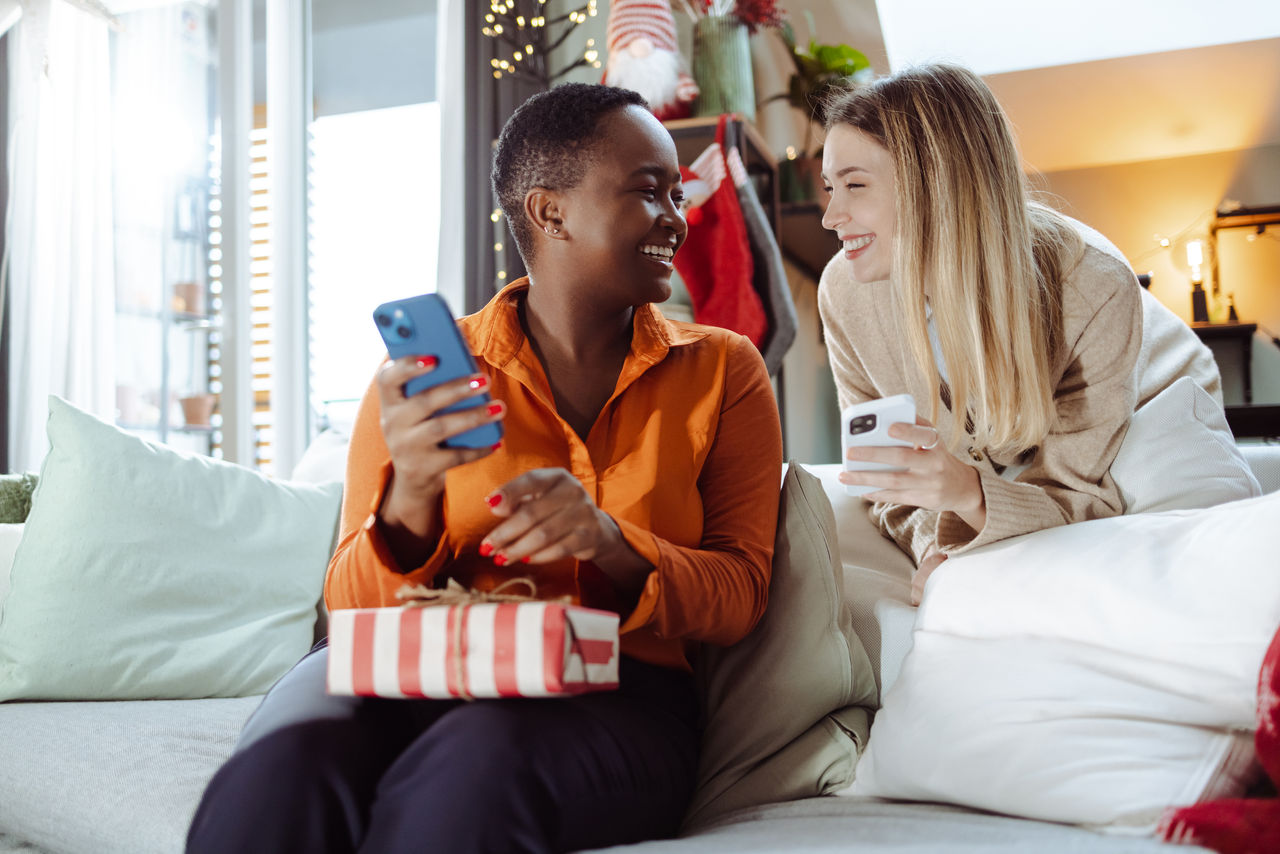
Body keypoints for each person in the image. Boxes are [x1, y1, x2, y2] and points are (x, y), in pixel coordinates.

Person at [185, 83, 783, 854]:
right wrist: (411, 499)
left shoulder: (723, 371)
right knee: (282, 766)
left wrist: (608, 542)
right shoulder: (425, 375)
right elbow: (348, 607)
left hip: (613, 690)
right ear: (549, 211)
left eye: (676, 191)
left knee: (476, 765)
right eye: (648, 191)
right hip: (412, 664)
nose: (677, 215)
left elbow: (740, 596)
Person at [815, 63, 1221, 604]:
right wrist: (940, 547)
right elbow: (886, 480)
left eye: (854, 186)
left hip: (1153, 396)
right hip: (1004, 438)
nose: (830, 216)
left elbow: (1077, 489)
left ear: (935, 184)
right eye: (828, 188)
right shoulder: (844, 292)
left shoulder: (1092, 286)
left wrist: (973, 495)